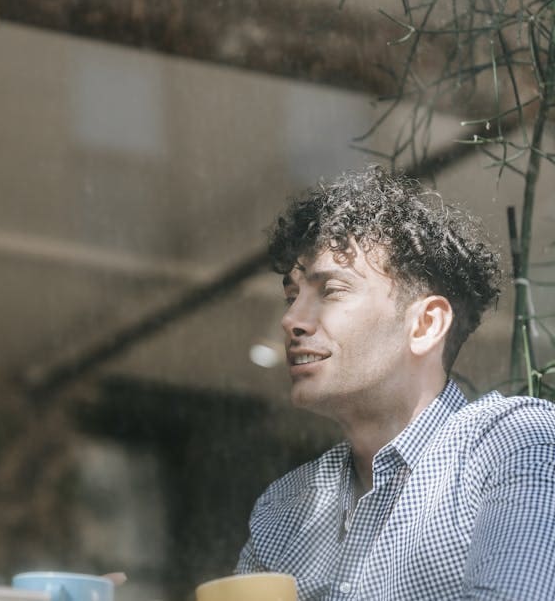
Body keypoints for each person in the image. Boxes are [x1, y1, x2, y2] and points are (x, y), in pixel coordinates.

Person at [237, 166, 555, 599]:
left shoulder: (515, 445)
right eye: (292, 297)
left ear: (425, 324)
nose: (290, 319)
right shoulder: (283, 509)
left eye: (331, 290)